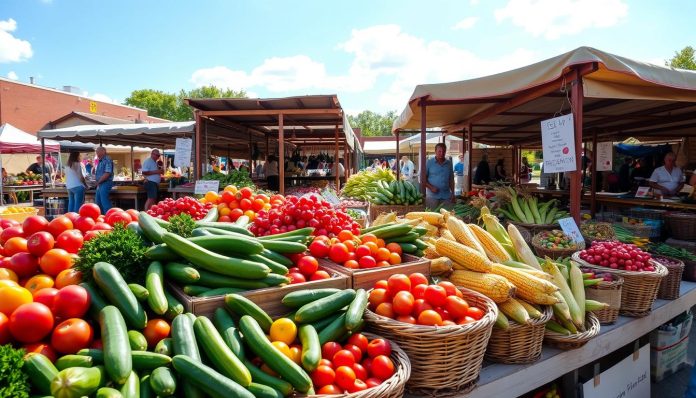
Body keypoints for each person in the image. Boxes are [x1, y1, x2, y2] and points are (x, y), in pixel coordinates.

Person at [425, 143, 454, 209]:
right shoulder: (429, 162)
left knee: (446, 216)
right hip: (432, 197)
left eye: (443, 151)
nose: (442, 153)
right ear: (435, 151)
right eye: (439, 151)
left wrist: (453, 193)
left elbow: (451, 179)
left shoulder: (449, 163)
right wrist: (431, 187)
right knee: (432, 216)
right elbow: (423, 178)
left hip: (446, 196)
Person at [94, 146, 114, 213]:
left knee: (104, 201)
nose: (97, 154)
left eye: (98, 152)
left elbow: (107, 173)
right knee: (98, 202)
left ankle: (108, 216)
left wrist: (98, 181)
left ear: (103, 152)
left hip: (105, 183)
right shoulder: (101, 160)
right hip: (100, 183)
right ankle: (101, 217)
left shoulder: (107, 160)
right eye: (96, 153)